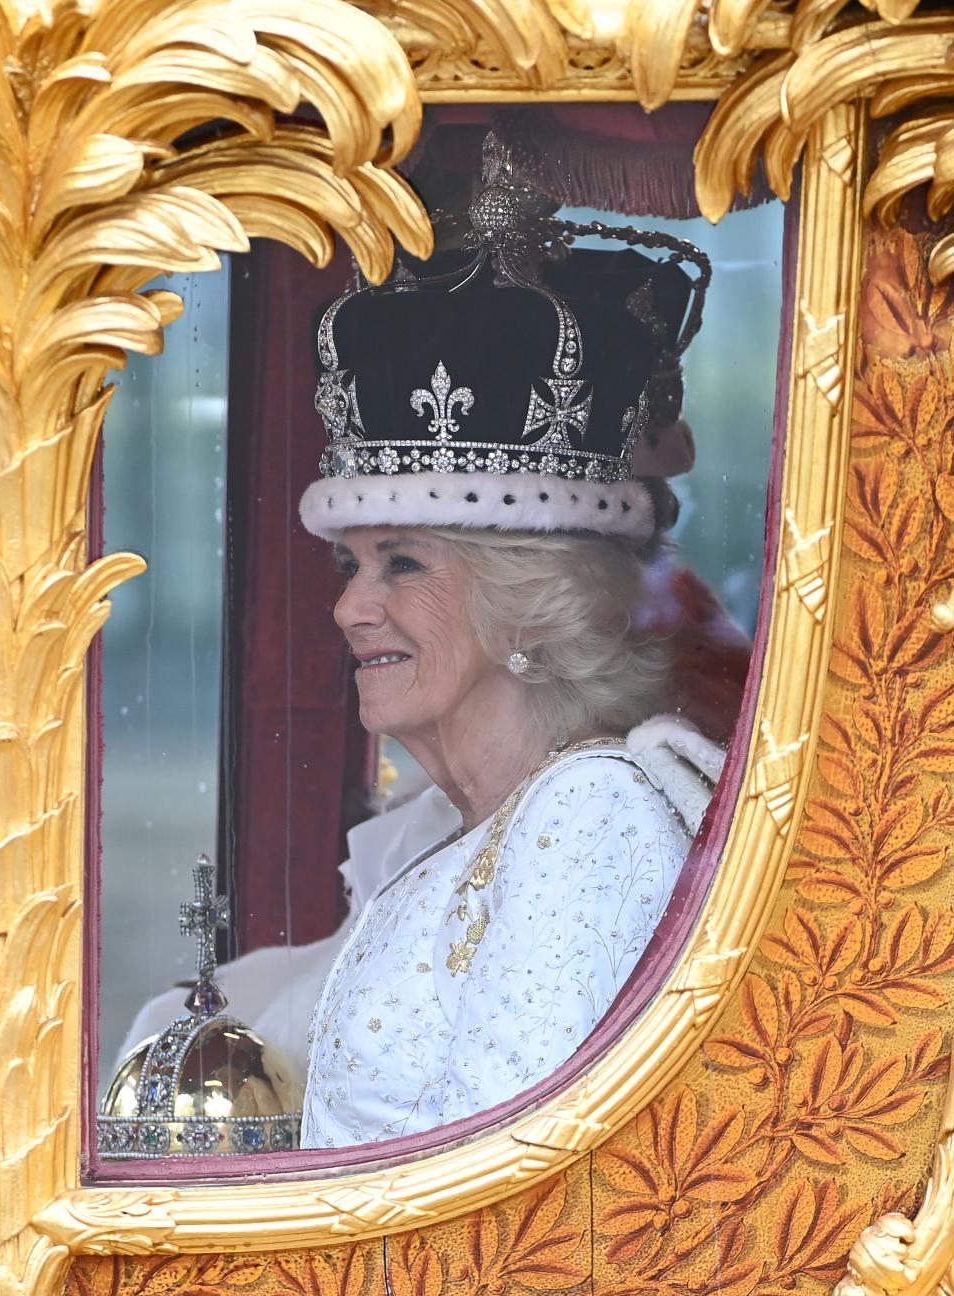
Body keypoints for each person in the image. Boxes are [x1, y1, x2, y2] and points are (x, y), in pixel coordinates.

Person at [294, 136, 725, 1148]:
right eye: (349, 566)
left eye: (401, 564)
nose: (351, 608)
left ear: (531, 603)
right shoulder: (506, 822)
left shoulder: (586, 820)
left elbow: (508, 1207)